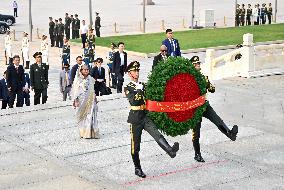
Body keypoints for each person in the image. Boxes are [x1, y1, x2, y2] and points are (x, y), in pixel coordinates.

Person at [124, 61, 179, 178]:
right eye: (134, 71)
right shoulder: (128, 87)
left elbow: (152, 94)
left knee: (156, 133)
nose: (137, 72)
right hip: (135, 118)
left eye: (138, 70)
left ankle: (170, 151)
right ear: (130, 74)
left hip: (145, 115)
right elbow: (134, 100)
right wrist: (140, 90)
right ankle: (137, 168)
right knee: (135, 146)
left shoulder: (143, 85)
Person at [189, 56, 238, 162]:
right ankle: (197, 154)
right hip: (195, 109)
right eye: (196, 63)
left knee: (218, 120)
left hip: (205, 105)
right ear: (192, 66)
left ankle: (230, 134)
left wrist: (208, 84)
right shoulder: (188, 80)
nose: (198, 65)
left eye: (199, 63)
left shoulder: (203, 77)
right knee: (196, 133)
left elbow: (212, 90)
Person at [72, 64, 100, 139]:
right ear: (81, 70)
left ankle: (90, 133)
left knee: (90, 116)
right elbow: (75, 91)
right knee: (83, 117)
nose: (86, 71)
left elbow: (92, 89)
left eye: (87, 69)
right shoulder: (78, 80)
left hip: (90, 100)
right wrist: (76, 100)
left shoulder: (90, 78)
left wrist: (95, 97)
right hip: (81, 101)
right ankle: (83, 132)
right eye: (84, 69)